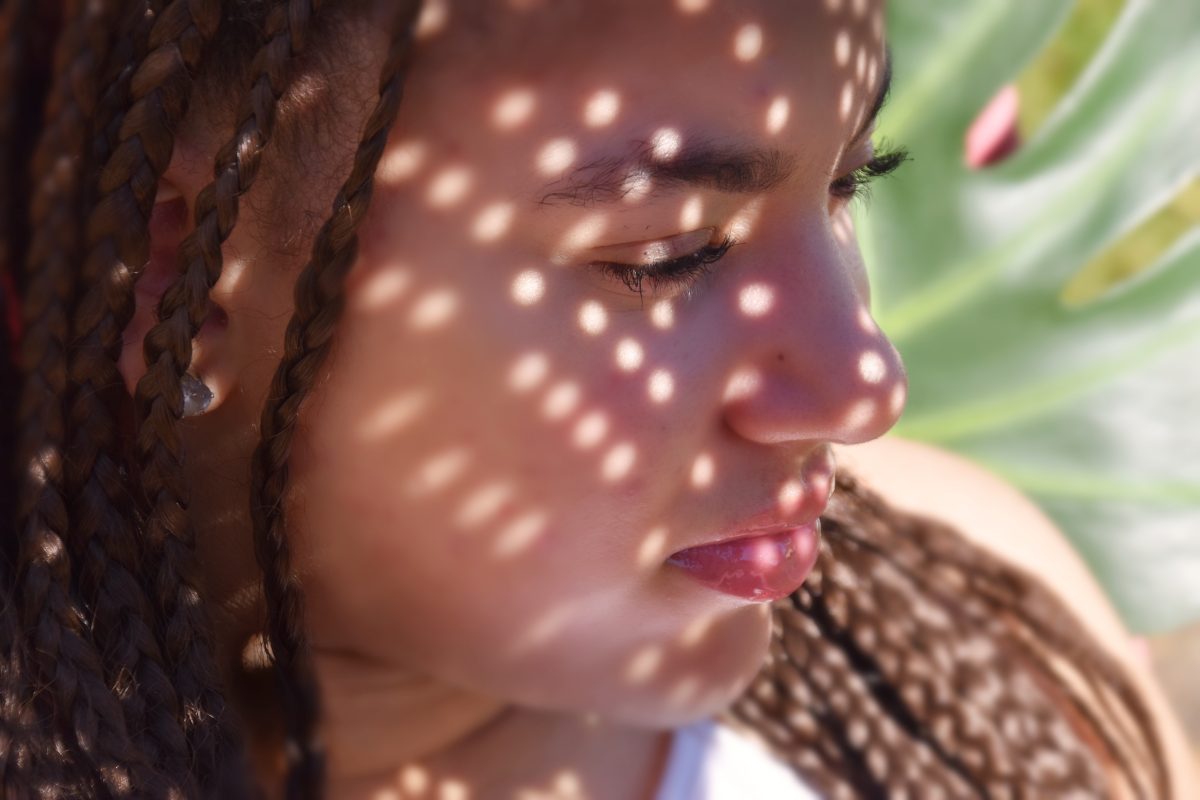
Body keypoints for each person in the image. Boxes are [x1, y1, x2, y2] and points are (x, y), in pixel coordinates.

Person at [0, 0, 1194, 797]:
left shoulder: (985, 620)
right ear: (172, 274)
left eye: (847, 186)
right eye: (672, 256)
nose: (866, 380)